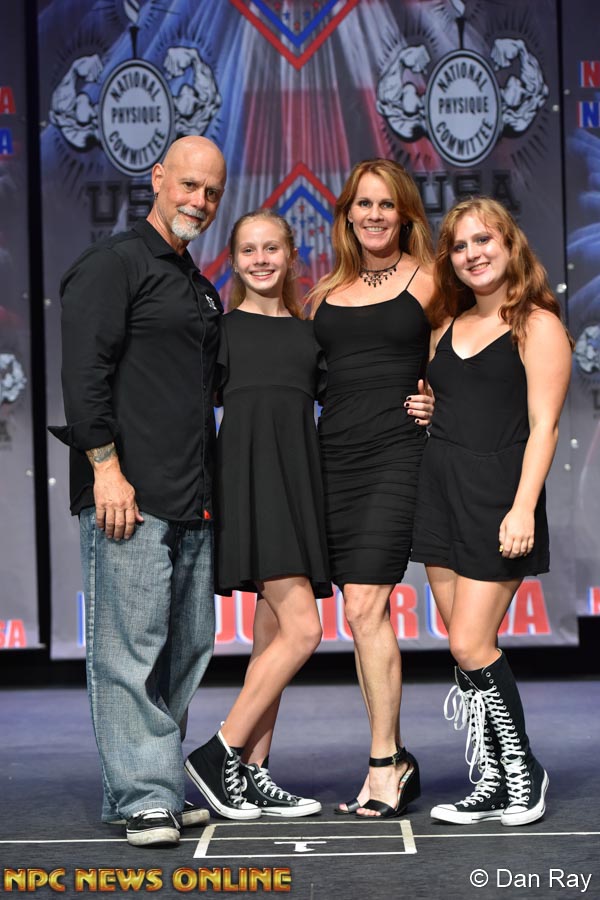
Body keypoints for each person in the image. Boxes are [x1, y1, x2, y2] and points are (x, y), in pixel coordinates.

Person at [49, 136, 227, 847]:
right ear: (157, 178)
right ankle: (145, 794)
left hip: (193, 495)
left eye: (211, 192)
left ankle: (150, 783)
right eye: (188, 185)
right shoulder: (114, 263)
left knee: (188, 648)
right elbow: (83, 374)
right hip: (130, 493)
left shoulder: (195, 282)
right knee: (130, 650)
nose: (199, 201)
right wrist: (105, 468)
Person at [411, 197, 573, 826]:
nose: (473, 253)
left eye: (484, 240)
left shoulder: (537, 324)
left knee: (470, 642)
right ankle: (496, 779)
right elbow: (452, 400)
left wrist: (523, 507)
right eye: (459, 245)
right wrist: (429, 408)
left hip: (499, 497)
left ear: (509, 246)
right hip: (440, 491)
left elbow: (544, 426)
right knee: (465, 649)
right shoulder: (444, 326)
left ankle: (523, 773)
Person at [184, 209, 329, 819]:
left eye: (272, 248)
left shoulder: (310, 337)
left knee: (271, 637)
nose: (261, 259)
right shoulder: (220, 333)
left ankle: (251, 771)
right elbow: (184, 409)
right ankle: (219, 753)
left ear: (292, 256)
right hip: (249, 489)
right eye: (249, 250)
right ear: (233, 260)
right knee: (304, 631)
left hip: (298, 492)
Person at [308, 158, 435, 819]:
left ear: (405, 213)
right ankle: (392, 755)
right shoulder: (325, 292)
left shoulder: (431, 279)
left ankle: (385, 763)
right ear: (347, 215)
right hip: (334, 457)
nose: (375, 214)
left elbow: (463, 356)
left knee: (364, 606)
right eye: (364, 203)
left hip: (395, 453)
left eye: (387, 204)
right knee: (360, 615)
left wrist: (439, 402)